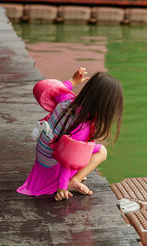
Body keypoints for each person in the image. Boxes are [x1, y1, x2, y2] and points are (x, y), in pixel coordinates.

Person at [17, 68, 124, 201]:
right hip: (53, 164)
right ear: (106, 107)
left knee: (84, 148)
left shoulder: (68, 100)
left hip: (42, 154)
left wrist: (72, 80)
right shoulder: (82, 126)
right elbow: (68, 161)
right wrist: (62, 187)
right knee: (101, 151)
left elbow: (56, 89)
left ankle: (72, 178)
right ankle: (74, 180)